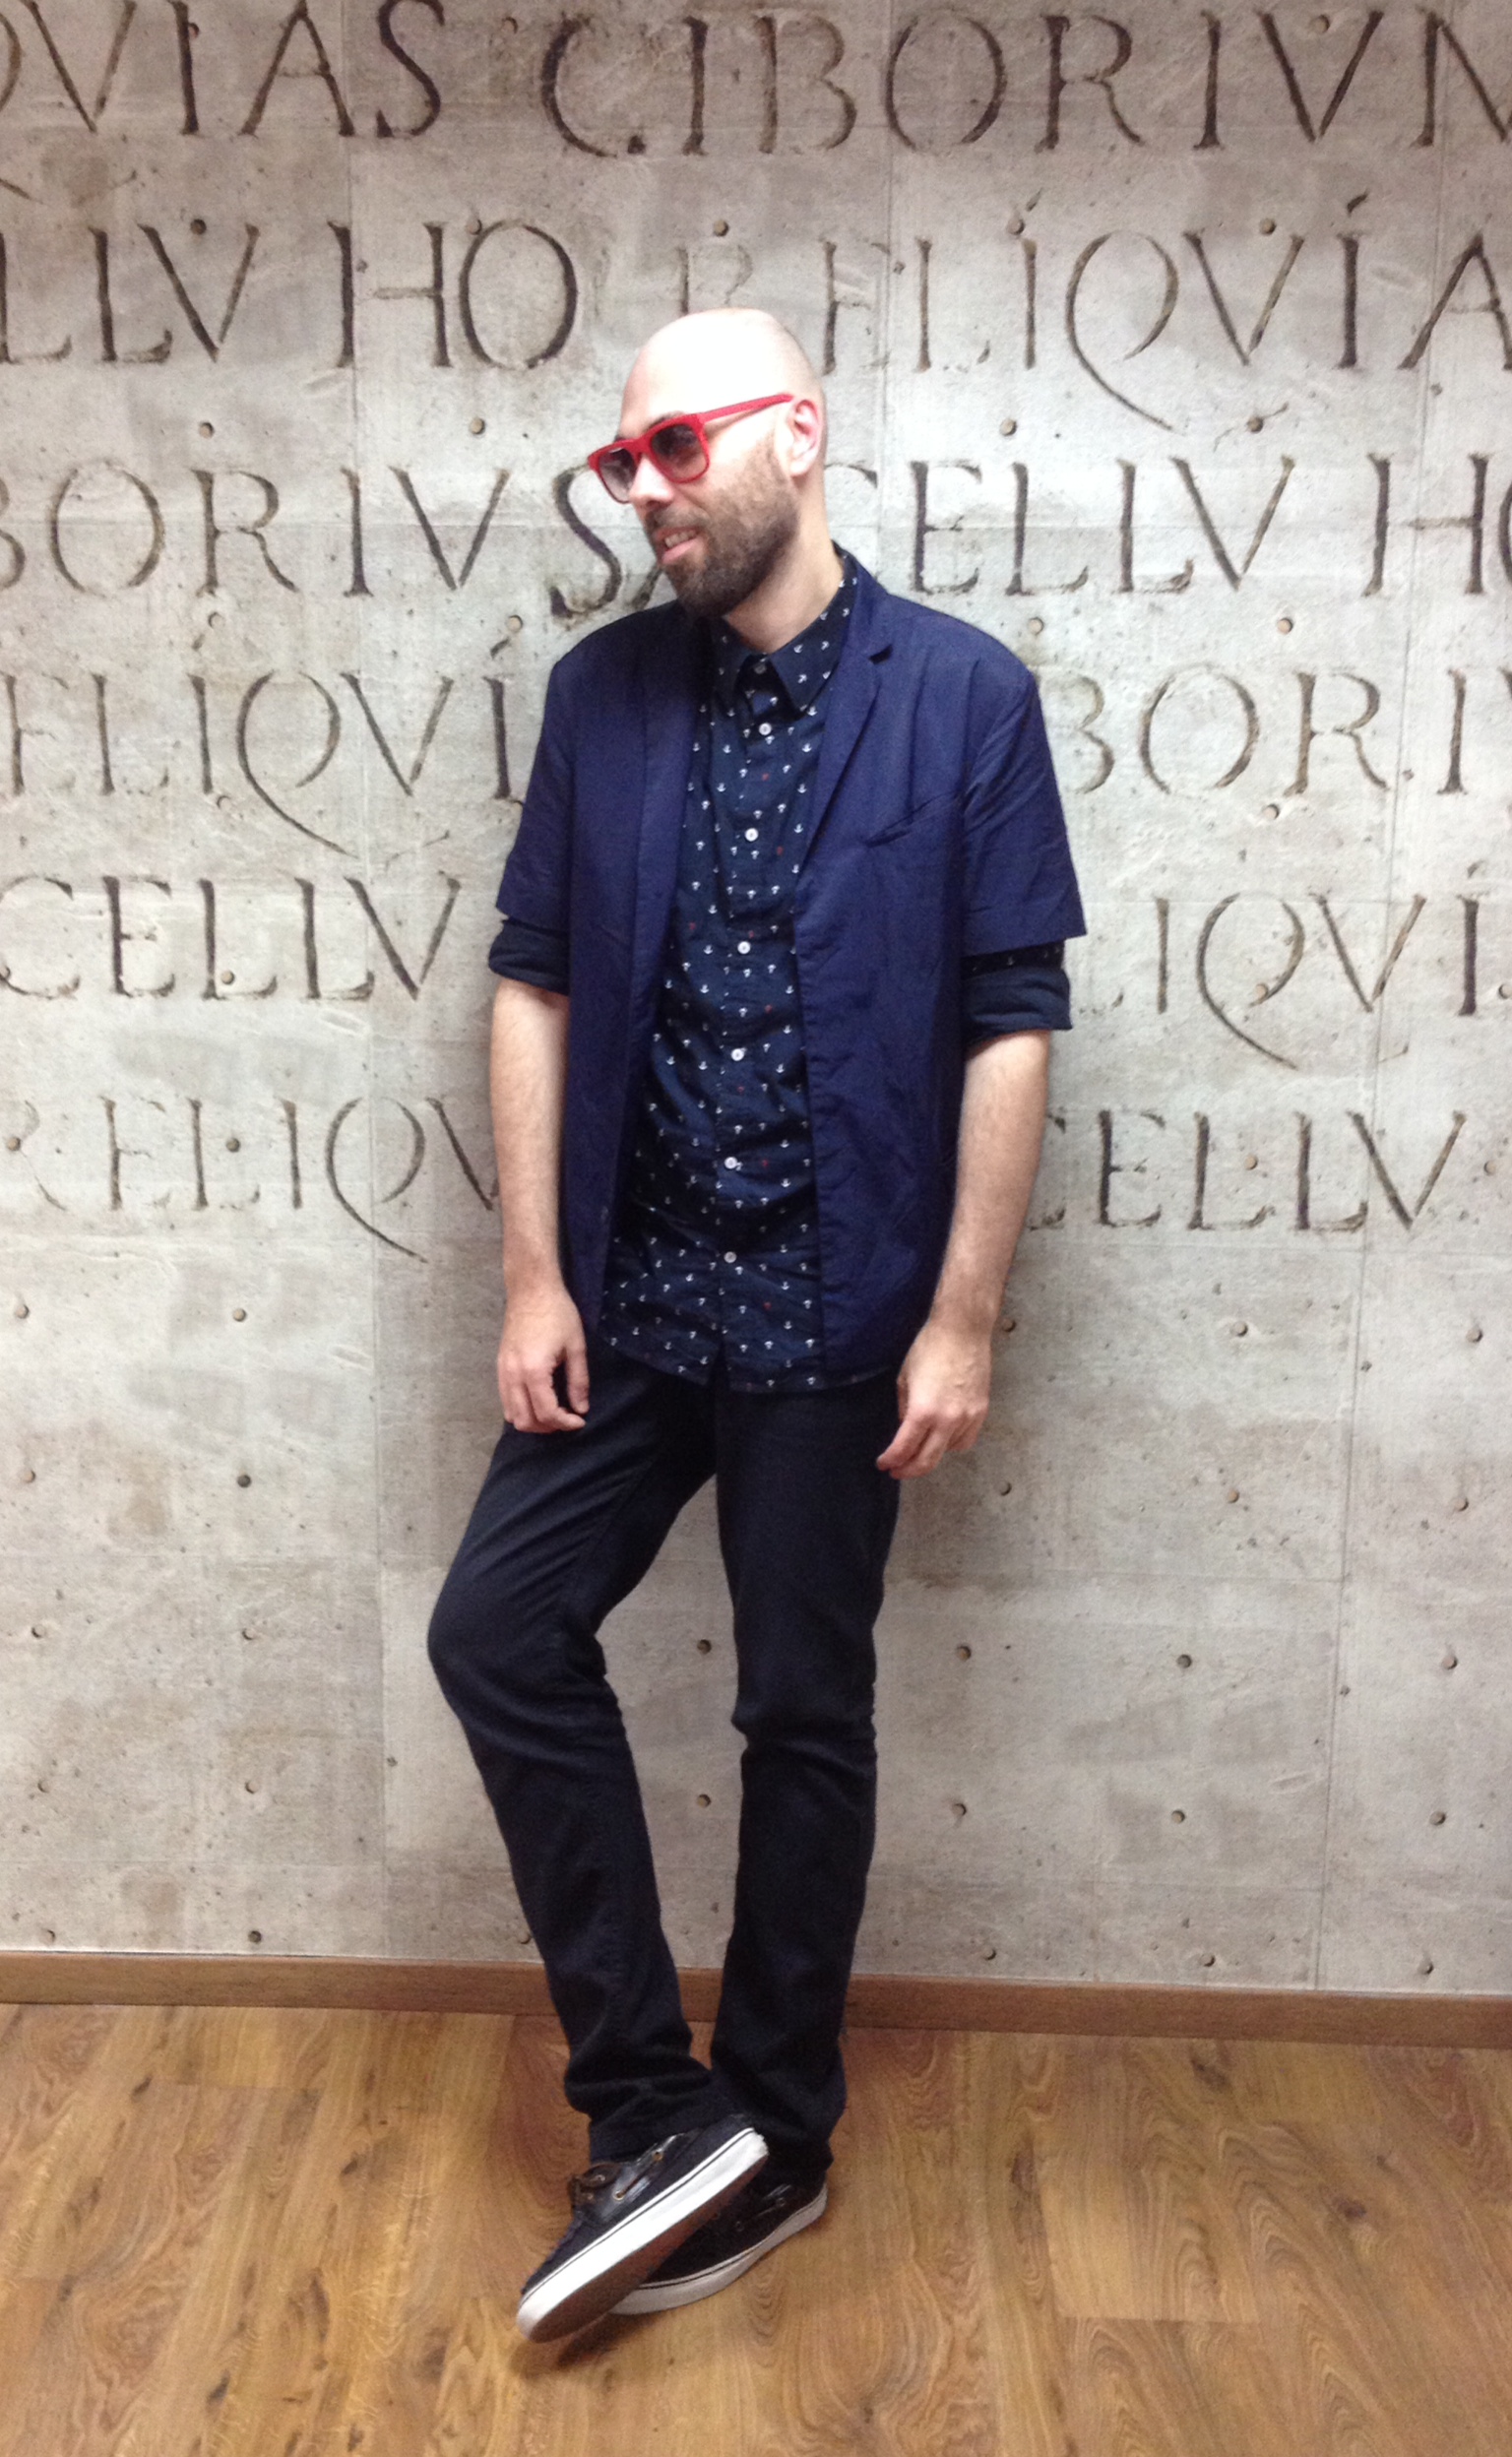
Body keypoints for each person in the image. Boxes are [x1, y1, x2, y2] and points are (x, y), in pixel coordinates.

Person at [427, 307, 1084, 2342]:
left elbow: (1011, 1020)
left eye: (678, 447)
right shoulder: (601, 695)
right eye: (620, 460)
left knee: (805, 1714)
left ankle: (780, 2133)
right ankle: (651, 2110)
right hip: (630, 1307)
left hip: (839, 1313)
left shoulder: (963, 698)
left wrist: (963, 1320)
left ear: (798, 434)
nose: (646, 489)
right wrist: (534, 1276)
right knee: (498, 1630)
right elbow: (534, 979)